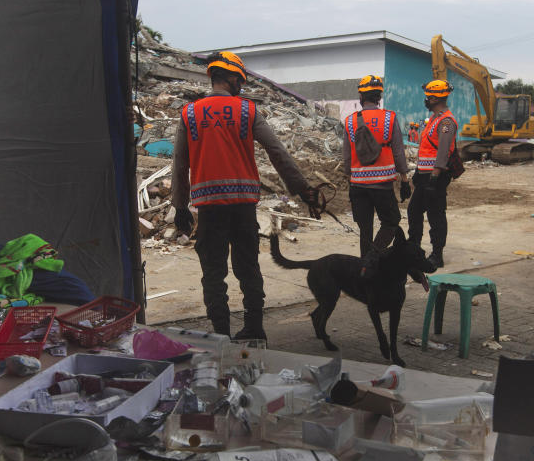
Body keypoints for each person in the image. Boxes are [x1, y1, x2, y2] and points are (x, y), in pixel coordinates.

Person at [170, 51, 320, 340]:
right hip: (243, 208)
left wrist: (179, 206)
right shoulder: (247, 111)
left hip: (210, 210)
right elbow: (277, 152)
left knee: (213, 275)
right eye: (239, 79)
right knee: (248, 269)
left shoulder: (189, 114)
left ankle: (221, 335)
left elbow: (179, 162)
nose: (241, 84)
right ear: (229, 77)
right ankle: (254, 327)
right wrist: (302, 189)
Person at [341, 75, 410, 256]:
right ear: (379, 97)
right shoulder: (389, 118)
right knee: (391, 222)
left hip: (358, 185)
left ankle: (365, 266)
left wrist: (350, 179)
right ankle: (374, 256)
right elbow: (398, 152)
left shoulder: (349, 121)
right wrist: (404, 179)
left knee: (365, 230)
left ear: (361, 97)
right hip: (382, 185)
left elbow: (346, 157)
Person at [407, 79, 458, 270]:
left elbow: (443, 152)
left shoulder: (446, 121)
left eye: (428, 97)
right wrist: (419, 173)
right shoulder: (435, 119)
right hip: (425, 175)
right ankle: (413, 249)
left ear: (435, 98)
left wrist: (434, 178)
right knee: (414, 211)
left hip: (435, 177)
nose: (426, 100)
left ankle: (437, 255)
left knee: (436, 215)